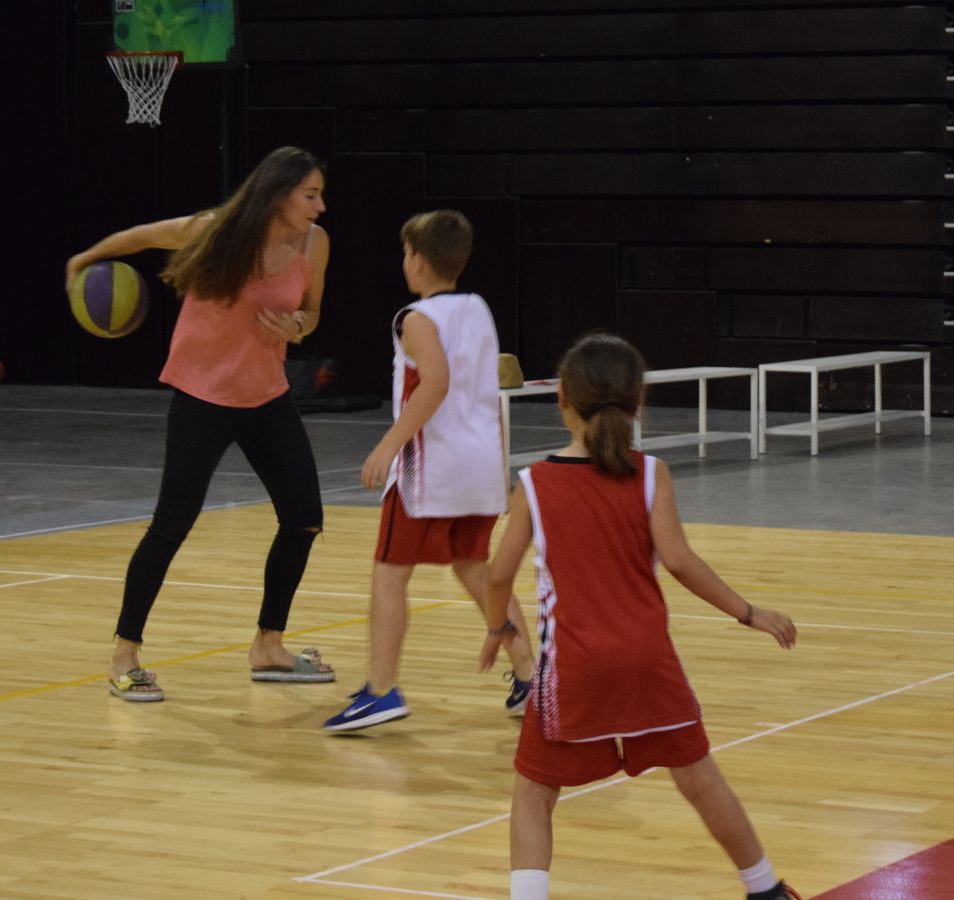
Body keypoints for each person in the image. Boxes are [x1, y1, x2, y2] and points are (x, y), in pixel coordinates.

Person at [477, 334, 801, 900]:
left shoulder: (534, 484)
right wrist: (747, 612)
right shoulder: (652, 475)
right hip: (648, 659)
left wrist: (498, 629)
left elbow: (497, 574)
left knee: (534, 790)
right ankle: (765, 887)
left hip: (575, 666)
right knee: (699, 778)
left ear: (562, 401)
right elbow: (679, 561)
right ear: (639, 404)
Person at [65, 146, 336, 701]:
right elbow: (139, 237)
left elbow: (311, 313)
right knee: (171, 525)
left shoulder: (315, 243)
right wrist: (83, 260)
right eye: (310, 194)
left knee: (304, 518)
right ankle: (124, 656)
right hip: (202, 397)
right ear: (278, 191)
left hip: (266, 396)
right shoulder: (214, 230)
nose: (320, 205)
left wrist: (297, 325)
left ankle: (268, 644)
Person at [322, 210, 537, 732]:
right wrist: (501, 466)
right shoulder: (480, 309)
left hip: (431, 470)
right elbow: (489, 390)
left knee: (390, 573)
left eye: (404, 253)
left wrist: (388, 445)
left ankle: (380, 691)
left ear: (417, 260)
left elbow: (435, 384)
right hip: (482, 463)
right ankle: (531, 675)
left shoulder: (414, 319)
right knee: (475, 566)